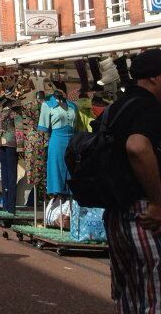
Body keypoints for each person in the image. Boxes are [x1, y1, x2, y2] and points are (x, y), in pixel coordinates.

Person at [102, 48, 161, 312]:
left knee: (128, 295)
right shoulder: (149, 107)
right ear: (155, 78)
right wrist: (157, 202)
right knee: (154, 296)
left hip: (116, 214)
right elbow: (137, 147)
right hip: (144, 213)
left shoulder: (116, 108)